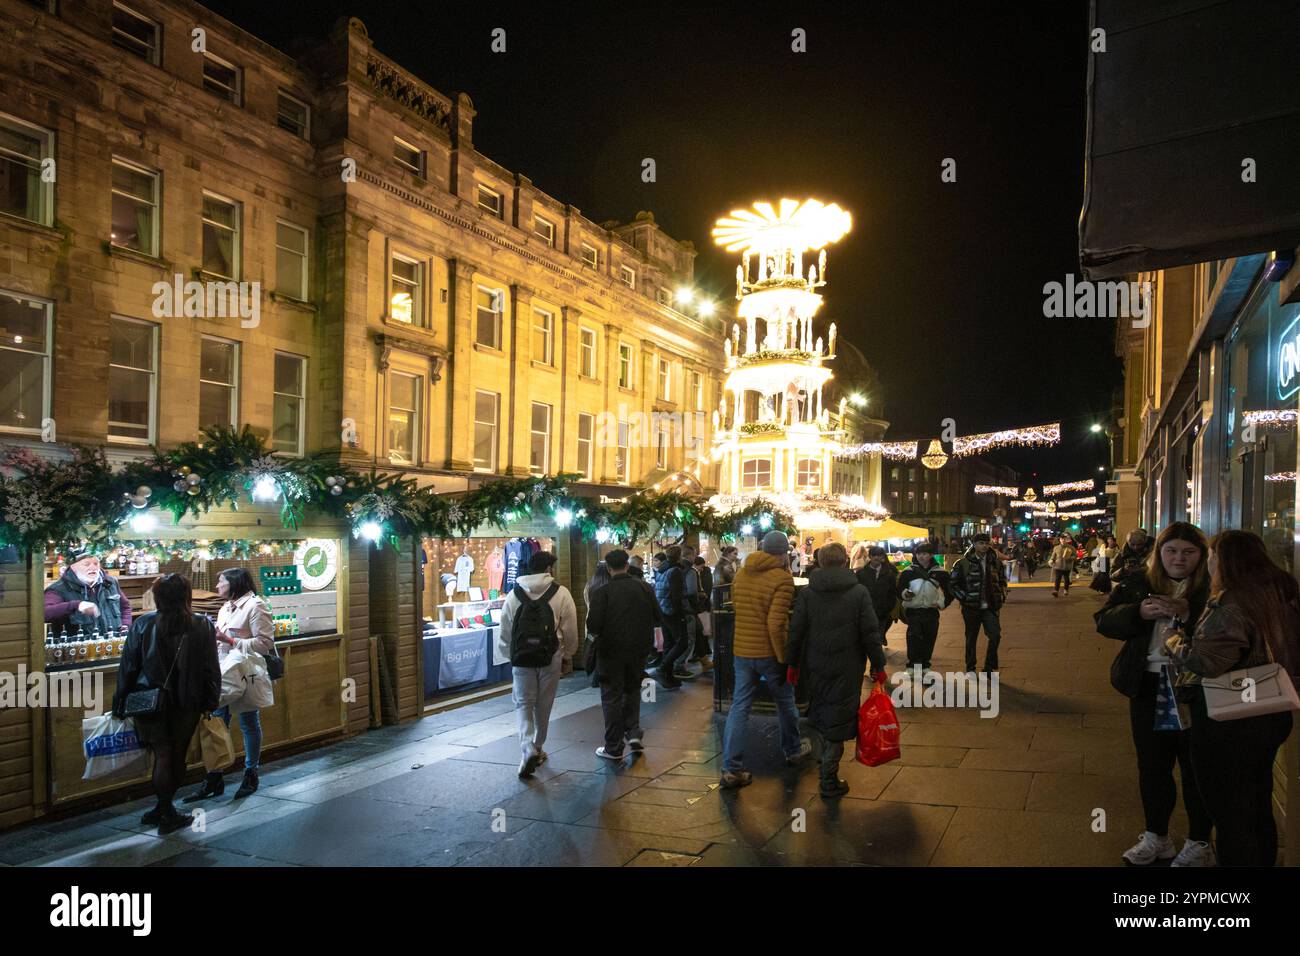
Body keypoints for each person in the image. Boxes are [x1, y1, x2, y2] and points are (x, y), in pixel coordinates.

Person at [1165, 530, 1300, 866]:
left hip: (1230, 718)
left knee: (1228, 809)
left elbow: (1206, 662)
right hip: (1271, 709)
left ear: (1223, 560)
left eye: (1211, 555)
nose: (1208, 562)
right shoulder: (1278, 595)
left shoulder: (1231, 603)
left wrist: (1174, 641)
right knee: (1255, 802)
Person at [1094, 521, 1215, 867]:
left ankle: (1199, 842)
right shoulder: (1139, 582)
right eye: (1171, 550)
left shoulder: (1212, 588)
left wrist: (1189, 614)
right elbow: (1103, 620)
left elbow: (1230, 633)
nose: (1179, 558)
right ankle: (1156, 837)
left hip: (1196, 689)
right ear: (1159, 552)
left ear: (1201, 555)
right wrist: (1139, 613)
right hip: (1148, 685)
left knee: (1197, 768)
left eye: (1189, 552)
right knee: (1152, 766)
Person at [112, 574, 220, 832]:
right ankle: (166, 810)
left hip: (148, 702)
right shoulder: (201, 624)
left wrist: (120, 701)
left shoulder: (143, 624)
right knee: (177, 756)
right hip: (187, 702)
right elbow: (210, 668)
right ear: (187, 596)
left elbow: (128, 666)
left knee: (161, 755)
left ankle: (162, 809)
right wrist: (211, 700)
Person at [786, 543, 887, 798]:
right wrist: (878, 665)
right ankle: (828, 779)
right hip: (848, 666)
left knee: (820, 711)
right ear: (844, 562)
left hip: (815, 663)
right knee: (838, 719)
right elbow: (870, 633)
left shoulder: (809, 593)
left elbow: (796, 631)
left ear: (820, 562)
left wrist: (792, 663)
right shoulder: (859, 592)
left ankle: (821, 759)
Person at [184, 567, 275, 803]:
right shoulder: (225, 607)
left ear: (234, 583)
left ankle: (250, 773)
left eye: (221, 582)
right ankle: (214, 777)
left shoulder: (256, 606)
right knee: (215, 722)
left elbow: (264, 644)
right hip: (222, 673)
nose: (217, 587)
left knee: (248, 722)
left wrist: (229, 640)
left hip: (244, 673)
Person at [720, 530, 801, 789]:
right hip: (768, 652)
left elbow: (737, 608)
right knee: (785, 702)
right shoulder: (782, 579)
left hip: (742, 650)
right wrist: (783, 657)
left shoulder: (743, 572)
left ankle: (731, 768)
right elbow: (776, 623)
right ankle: (793, 750)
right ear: (783, 552)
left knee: (739, 706)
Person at [496, 550, 578, 779]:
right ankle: (538, 746)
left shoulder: (514, 594)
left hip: (522, 657)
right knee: (544, 703)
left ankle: (526, 746)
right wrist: (569, 652)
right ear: (549, 569)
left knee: (523, 702)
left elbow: (505, 628)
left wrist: (507, 653)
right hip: (550, 655)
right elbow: (570, 626)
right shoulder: (561, 593)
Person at [586, 549, 662, 760]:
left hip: (610, 652)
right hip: (638, 650)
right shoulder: (644, 588)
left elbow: (593, 625)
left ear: (609, 569)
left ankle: (613, 747)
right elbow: (658, 616)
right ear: (627, 565)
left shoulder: (603, 592)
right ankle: (633, 732)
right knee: (633, 690)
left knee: (611, 696)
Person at [950, 533, 1008, 674]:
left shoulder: (995, 562)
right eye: (981, 543)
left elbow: (1002, 581)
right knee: (971, 638)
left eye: (986, 543)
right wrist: (964, 598)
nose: (984, 546)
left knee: (995, 635)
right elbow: (952, 584)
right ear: (974, 544)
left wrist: (1001, 596)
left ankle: (989, 667)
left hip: (990, 606)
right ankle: (970, 667)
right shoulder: (963, 563)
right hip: (971, 608)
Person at [45, 550, 132, 638]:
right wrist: (75, 605)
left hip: (113, 645)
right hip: (78, 649)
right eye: (86, 564)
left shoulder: (110, 583)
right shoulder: (58, 589)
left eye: (96, 563)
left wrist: (125, 625)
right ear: (73, 567)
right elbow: (44, 613)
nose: (93, 568)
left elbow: (125, 607)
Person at [896, 541, 952, 675]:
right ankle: (912, 665)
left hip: (931, 611)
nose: (921, 556)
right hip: (913, 610)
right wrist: (905, 594)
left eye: (925, 554)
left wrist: (941, 603)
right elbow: (899, 589)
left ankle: (925, 664)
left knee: (929, 637)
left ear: (931, 555)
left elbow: (950, 591)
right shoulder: (908, 572)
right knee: (913, 637)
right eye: (919, 553)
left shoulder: (941, 573)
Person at [855, 546, 899, 644]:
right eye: (874, 555)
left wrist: (889, 606)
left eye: (879, 555)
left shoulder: (889, 572)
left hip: (883, 610)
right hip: (867, 609)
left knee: (878, 635)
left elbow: (892, 591)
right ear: (869, 556)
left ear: (883, 557)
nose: (876, 558)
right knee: (868, 634)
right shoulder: (861, 573)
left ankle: (878, 652)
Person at [692, 555, 715, 672]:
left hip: (701, 607)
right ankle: (704, 655)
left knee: (703, 631)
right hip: (701, 607)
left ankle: (703, 654)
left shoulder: (701, 573)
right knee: (703, 631)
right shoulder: (695, 573)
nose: (701, 569)